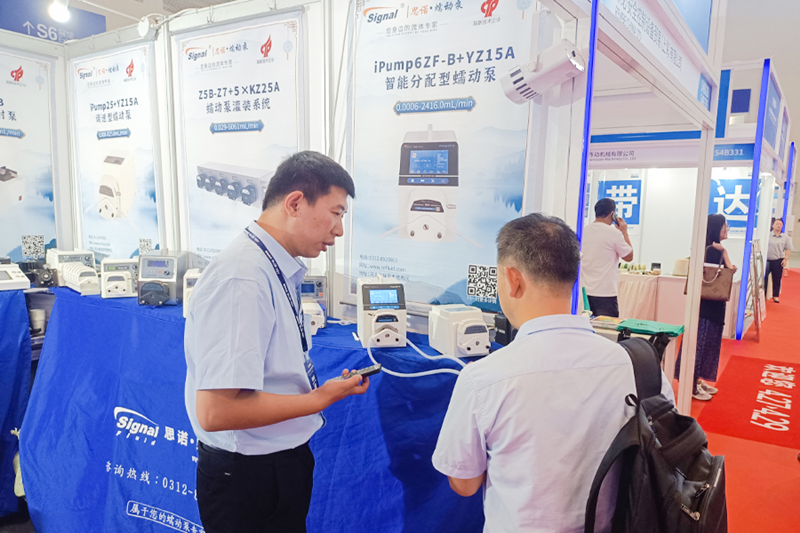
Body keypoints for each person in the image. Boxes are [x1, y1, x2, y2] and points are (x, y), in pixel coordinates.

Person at [431, 213, 674, 533]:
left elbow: (465, 483)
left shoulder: (483, 379)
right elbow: (666, 457)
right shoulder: (639, 367)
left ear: (512, 279)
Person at [184, 151, 370, 533]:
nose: (339, 230)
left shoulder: (269, 265)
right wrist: (318, 399)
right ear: (295, 203)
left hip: (273, 465)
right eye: (336, 213)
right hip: (249, 476)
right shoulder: (243, 277)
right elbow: (217, 411)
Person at [675, 213, 736, 401]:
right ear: (716, 229)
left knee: (706, 344)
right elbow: (729, 271)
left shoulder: (709, 248)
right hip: (708, 306)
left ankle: (697, 380)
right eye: (724, 226)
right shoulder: (712, 251)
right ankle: (691, 384)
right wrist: (725, 255)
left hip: (709, 305)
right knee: (701, 345)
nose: (726, 230)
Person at [581, 198, 634, 317]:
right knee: (607, 328)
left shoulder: (583, 231)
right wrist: (624, 232)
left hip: (583, 292)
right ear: (612, 214)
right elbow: (629, 256)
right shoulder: (614, 233)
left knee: (585, 324)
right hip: (605, 293)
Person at [765, 217, 792, 303]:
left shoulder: (785, 237)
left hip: (778, 260)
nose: (778, 226)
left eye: (780, 224)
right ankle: (764, 295)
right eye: (777, 224)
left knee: (777, 279)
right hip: (767, 260)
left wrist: (785, 259)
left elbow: (788, 249)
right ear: (773, 225)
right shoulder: (768, 235)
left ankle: (775, 296)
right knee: (764, 278)